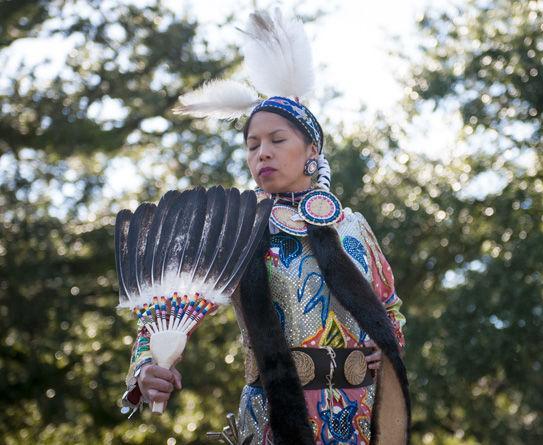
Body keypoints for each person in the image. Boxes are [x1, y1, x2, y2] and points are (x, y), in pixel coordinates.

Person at [120, 9, 410, 445]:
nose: (262, 154)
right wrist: (147, 368)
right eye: (253, 145)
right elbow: (161, 314)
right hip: (272, 418)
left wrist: (384, 345)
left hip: (360, 419)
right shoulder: (234, 229)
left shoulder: (354, 227)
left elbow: (390, 308)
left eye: (277, 141)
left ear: (312, 149)